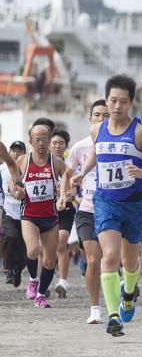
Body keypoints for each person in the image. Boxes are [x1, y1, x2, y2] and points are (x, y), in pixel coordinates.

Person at [71, 74, 142, 336]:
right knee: (109, 257)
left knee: (131, 262)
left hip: (133, 203)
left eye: (123, 101)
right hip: (105, 201)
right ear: (107, 100)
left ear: (131, 103)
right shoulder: (96, 129)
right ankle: (113, 316)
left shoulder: (139, 132)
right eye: (113, 100)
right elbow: (95, 154)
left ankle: (129, 292)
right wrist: (82, 172)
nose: (117, 106)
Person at [58, 99, 109, 323]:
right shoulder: (80, 147)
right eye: (97, 115)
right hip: (87, 210)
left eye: (106, 115)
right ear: (90, 119)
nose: (101, 119)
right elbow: (67, 175)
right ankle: (95, 309)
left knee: (113, 259)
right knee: (93, 260)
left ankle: (124, 290)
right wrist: (64, 194)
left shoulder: (121, 145)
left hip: (113, 209)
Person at [15, 124, 66, 308]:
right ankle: (33, 279)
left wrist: (63, 195)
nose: (41, 143)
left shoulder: (56, 162)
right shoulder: (23, 161)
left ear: (50, 140)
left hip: (50, 217)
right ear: (30, 141)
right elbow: (14, 185)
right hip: (29, 214)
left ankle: (41, 294)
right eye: (37, 139)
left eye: (45, 138)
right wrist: (17, 192)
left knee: (50, 260)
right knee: (33, 250)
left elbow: (68, 179)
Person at [50, 129, 76, 298]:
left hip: (65, 210)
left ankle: (63, 282)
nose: (58, 146)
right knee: (44, 249)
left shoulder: (70, 165)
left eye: (61, 143)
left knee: (61, 244)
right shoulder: (43, 163)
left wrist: (66, 195)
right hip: (45, 210)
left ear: (66, 145)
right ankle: (41, 279)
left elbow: (73, 190)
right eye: (54, 143)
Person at [2, 141, 27, 287]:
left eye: (19, 151)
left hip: (26, 213)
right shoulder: (2, 169)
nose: (16, 154)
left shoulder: (28, 167)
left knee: (23, 244)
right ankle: (9, 269)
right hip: (8, 211)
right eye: (13, 151)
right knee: (10, 237)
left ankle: (19, 269)